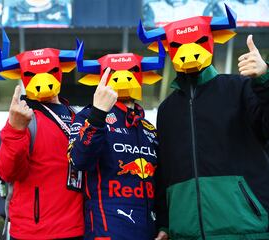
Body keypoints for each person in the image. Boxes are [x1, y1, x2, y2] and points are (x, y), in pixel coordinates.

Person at [138, 4, 269, 240]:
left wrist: (265, 80)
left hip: (246, 229)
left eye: (197, 41)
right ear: (169, 49)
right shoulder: (167, 109)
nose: (188, 51)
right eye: (177, 45)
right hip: (185, 232)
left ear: (211, 41)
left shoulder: (241, 88)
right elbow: (165, 171)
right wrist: (166, 224)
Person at [67, 40, 165, 240]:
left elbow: (160, 181)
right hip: (107, 231)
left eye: (131, 70)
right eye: (113, 72)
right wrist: (98, 114)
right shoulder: (88, 116)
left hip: (148, 232)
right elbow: (78, 160)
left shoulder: (148, 128)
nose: (122, 77)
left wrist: (163, 224)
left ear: (142, 77)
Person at [0, 32, 84, 240]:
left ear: (62, 71)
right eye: (32, 74)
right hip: (34, 232)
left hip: (78, 228)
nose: (42, 80)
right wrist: (15, 129)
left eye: (51, 71)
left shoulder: (76, 116)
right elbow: (8, 171)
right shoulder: (23, 117)